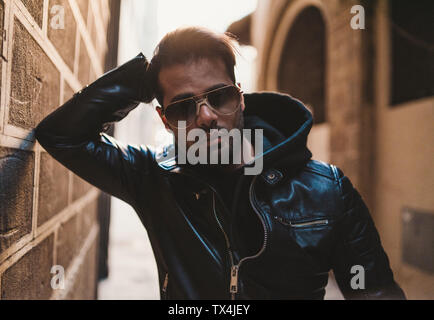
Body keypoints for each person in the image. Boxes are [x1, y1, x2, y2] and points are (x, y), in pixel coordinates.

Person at [35, 27, 406, 300]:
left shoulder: (327, 188)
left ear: (240, 99)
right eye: (183, 107)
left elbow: (374, 291)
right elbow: (62, 136)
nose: (207, 116)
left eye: (219, 96)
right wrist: (140, 77)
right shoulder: (152, 177)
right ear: (166, 120)